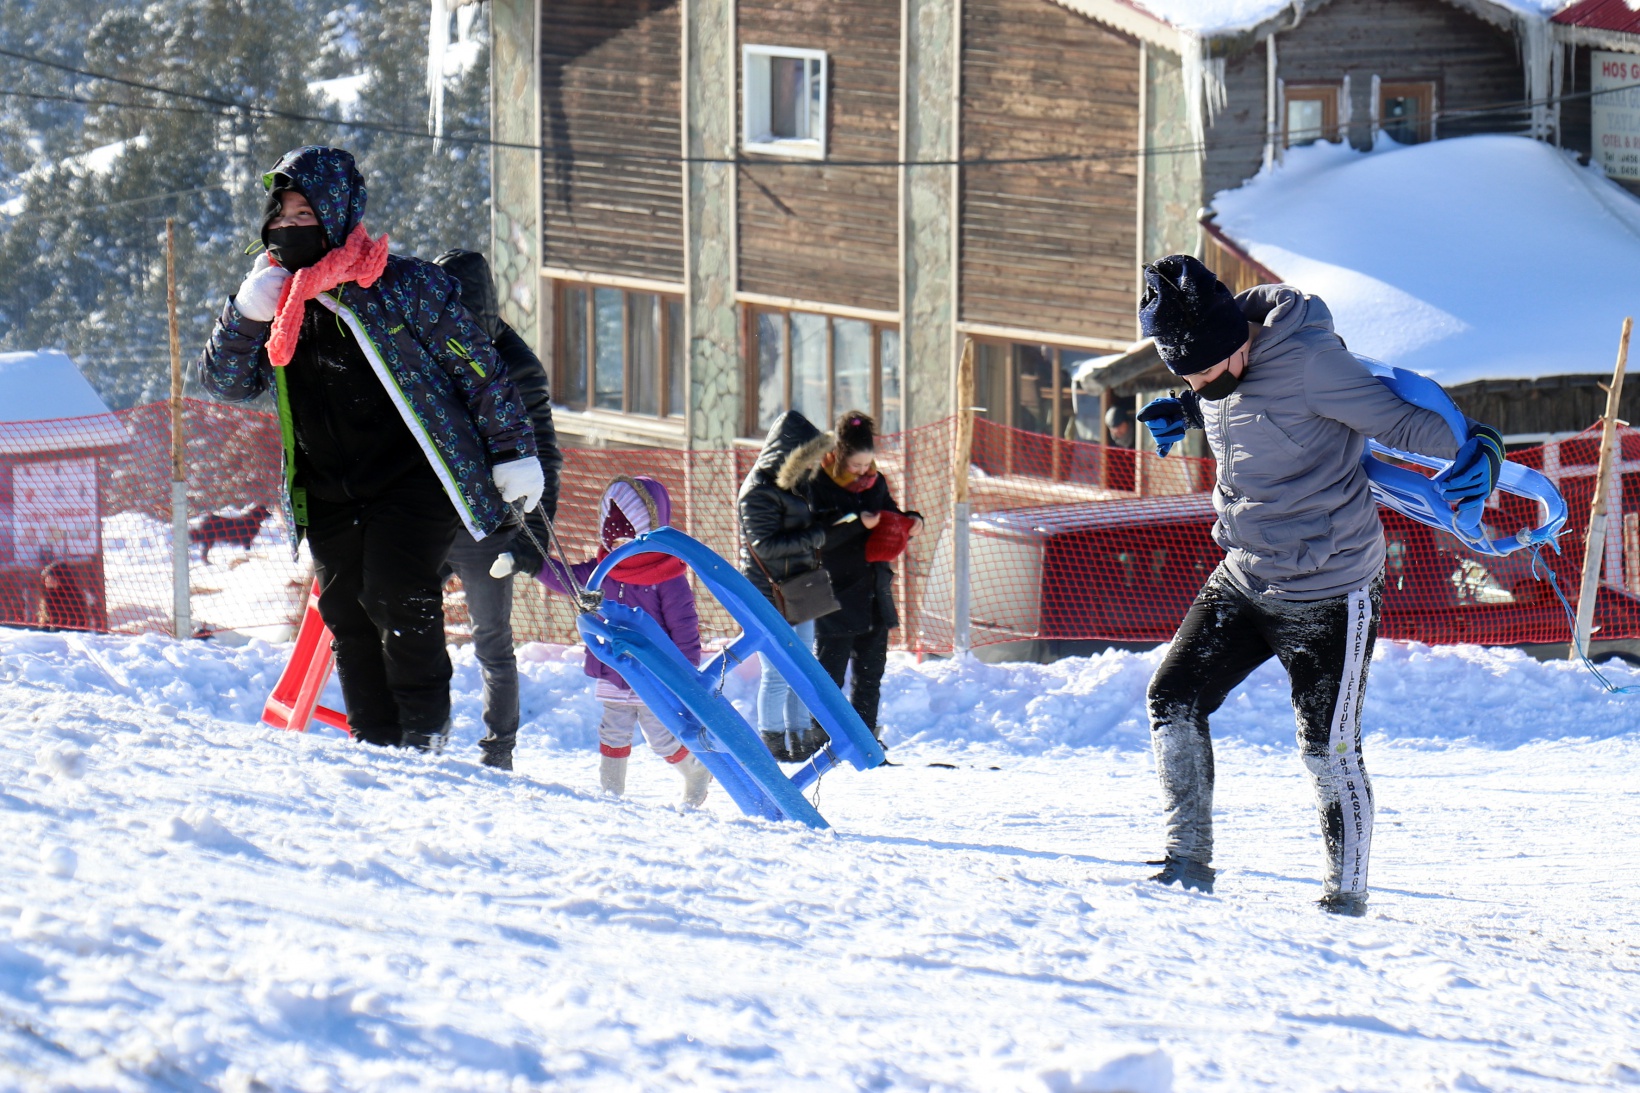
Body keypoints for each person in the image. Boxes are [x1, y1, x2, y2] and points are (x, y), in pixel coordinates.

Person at [1134, 254, 1503, 917]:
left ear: (1232, 344)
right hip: (1248, 571)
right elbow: (1244, 406)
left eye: (1202, 373)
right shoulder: (1221, 365)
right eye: (1184, 374)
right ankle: (1187, 862)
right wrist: (1189, 406)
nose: (1198, 383)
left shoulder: (1312, 363)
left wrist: (1478, 446)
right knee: (1172, 698)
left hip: (1332, 586)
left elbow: (1401, 422)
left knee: (1327, 749)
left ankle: (1346, 899)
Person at [198, 146, 541, 752]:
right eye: (280, 212)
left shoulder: (403, 285)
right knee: (348, 615)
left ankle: (423, 732)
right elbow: (228, 382)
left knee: (394, 590)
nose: (287, 223)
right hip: (327, 485)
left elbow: (479, 368)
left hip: (414, 476)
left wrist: (514, 451)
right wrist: (245, 317)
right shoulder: (276, 298)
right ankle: (376, 743)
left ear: (336, 211)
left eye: (305, 211)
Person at [433, 249, 563, 771]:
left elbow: (544, 454)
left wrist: (531, 539)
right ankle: (425, 727)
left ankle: (498, 749)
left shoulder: (515, 364)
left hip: (488, 525)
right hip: (430, 514)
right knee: (410, 627)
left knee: (492, 641)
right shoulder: (429, 346)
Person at [527, 476, 712, 807]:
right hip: (616, 668)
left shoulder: (667, 578)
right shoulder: (604, 571)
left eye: (626, 542)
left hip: (656, 674)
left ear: (646, 534)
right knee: (612, 731)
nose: (617, 551)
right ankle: (611, 794)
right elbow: (568, 580)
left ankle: (696, 771)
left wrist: (683, 673)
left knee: (661, 735)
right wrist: (532, 563)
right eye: (612, 544)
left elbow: (684, 627)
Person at [805, 412, 921, 757]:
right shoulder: (817, 483)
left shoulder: (876, 481)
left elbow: (890, 511)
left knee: (871, 674)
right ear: (840, 455)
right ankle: (823, 738)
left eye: (867, 464)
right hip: (835, 591)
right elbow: (817, 536)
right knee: (830, 673)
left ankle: (866, 738)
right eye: (856, 464)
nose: (862, 471)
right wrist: (858, 524)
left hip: (874, 589)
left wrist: (913, 520)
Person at [738, 410, 843, 763]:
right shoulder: (757, 492)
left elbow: (801, 521)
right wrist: (815, 535)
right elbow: (765, 545)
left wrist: (827, 520)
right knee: (778, 671)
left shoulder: (795, 484)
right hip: (768, 593)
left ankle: (799, 736)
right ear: (791, 456)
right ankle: (772, 738)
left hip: (797, 586)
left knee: (802, 665)